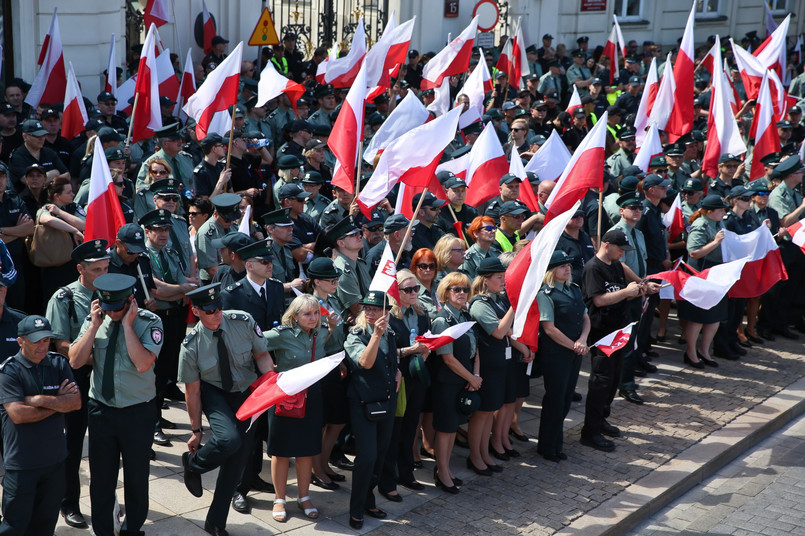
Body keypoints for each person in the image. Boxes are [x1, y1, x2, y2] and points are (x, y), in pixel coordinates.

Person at [68, 274, 163, 536]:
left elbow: (143, 363)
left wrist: (129, 326)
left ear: (131, 301)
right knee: (101, 479)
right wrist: (93, 327)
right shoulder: (96, 321)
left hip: (137, 411)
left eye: (118, 309)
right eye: (107, 308)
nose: (113, 314)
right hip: (102, 411)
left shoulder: (149, 322)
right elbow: (75, 361)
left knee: (136, 476)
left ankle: (133, 529)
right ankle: (103, 531)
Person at [178, 282, 273, 536]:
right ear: (196, 311)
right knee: (228, 439)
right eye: (210, 310)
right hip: (215, 393)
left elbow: (262, 356)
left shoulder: (243, 321)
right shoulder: (191, 345)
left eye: (219, 306)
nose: (217, 313)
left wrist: (272, 386)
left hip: (246, 392)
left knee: (236, 460)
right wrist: (196, 430)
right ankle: (195, 464)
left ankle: (215, 522)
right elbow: (193, 391)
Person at [44, 239, 109, 529]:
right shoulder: (64, 298)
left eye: (107, 267)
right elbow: (59, 345)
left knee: (105, 445)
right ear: (81, 269)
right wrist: (93, 355)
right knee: (72, 444)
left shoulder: (114, 291)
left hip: (109, 378)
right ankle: (69, 502)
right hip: (78, 377)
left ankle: (105, 503)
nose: (104, 274)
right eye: (97, 269)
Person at [0, 315, 80, 535]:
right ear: (20, 341)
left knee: (45, 525)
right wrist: (58, 403)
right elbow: (19, 414)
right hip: (22, 465)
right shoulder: (8, 371)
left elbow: (75, 402)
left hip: (55, 462)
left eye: (46, 340)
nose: (42, 346)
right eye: (35, 341)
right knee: (14, 527)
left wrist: (39, 400)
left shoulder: (58, 362)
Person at [264, 294, 332, 523]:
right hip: (285, 397)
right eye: (307, 314)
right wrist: (268, 371)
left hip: (312, 397)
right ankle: (280, 499)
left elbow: (332, 351)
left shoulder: (322, 333)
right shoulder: (281, 335)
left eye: (316, 313)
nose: (313, 318)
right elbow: (255, 344)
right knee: (281, 451)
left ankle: (304, 497)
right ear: (295, 316)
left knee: (306, 450)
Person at [580, 229, 643, 453]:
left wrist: (641, 289)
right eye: (620, 249)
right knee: (601, 381)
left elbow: (622, 291)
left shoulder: (615, 264)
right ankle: (590, 431)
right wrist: (627, 292)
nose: (622, 254)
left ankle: (601, 419)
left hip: (618, 330)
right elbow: (599, 300)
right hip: (602, 333)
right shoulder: (593, 268)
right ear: (607, 245)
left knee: (613, 378)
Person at [141, 209, 199, 447]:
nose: (164, 234)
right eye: (158, 230)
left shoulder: (171, 253)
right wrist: (182, 288)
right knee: (153, 375)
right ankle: (152, 425)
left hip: (173, 316)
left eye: (166, 229)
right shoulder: (143, 258)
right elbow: (158, 291)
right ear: (147, 231)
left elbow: (180, 282)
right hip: (156, 319)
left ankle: (158, 417)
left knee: (166, 373)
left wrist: (179, 288)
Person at [344, 291, 399, 530]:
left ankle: (369, 499)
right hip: (363, 403)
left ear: (386, 312)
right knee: (366, 457)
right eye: (367, 308)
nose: (370, 313)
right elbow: (365, 363)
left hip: (386, 402)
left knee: (381, 455)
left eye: (376, 309)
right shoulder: (356, 335)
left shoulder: (392, 333)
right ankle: (356, 509)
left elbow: (391, 360)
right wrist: (376, 334)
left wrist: (397, 370)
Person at [377, 269, 432, 501]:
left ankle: (406, 472)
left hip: (415, 377)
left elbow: (426, 341)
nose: (413, 293)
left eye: (416, 288)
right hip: (397, 379)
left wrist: (426, 351)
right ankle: (388, 478)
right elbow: (385, 351)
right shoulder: (389, 316)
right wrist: (411, 350)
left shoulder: (421, 313)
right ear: (395, 292)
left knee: (410, 427)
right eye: (408, 289)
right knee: (394, 430)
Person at [537, 250, 589, 461]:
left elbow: (586, 318)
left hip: (574, 351)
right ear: (551, 271)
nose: (568, 268)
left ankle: (556, 441)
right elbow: (549, 328)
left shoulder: (573, 288)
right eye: (562, 266)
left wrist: (583, 340)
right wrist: (574, 345)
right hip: (556, 353)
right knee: (555, 399)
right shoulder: (545, 294)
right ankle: (548, 445)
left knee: (567, 397)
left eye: (568, 265)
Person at [467, 258, 517, 472]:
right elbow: (498, 331)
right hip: (486, 365)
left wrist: (505, 324)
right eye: (499, 277)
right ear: (485, 280)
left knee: (490, 411)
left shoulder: (496, 300)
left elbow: (509, 330)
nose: (503, 280)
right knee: (481, 413)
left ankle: (485, 453)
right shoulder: (479, 303)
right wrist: (515, 306)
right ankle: (475, 456)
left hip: (498, 363)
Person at [431, 272, 478, 494]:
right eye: (456, 289)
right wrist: (471, 378)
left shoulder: (464, 315)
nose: (461, 293)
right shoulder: (443, 320)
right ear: (445, 292)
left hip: (464, 380)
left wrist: (475, 376)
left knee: (452, 429)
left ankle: (446, 469)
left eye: (465, 289)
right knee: (445, 429)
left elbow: (474, 350)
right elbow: (448, 358)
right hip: (447, 382)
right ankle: (441, 472)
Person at [305, 258, 349, 491]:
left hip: (335, 364)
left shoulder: (332, 300)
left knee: (338, 420)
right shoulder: (309, 305)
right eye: (332, 280)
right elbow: (313, 344)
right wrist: (330, 330)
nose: (336, 283)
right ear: (318, 282)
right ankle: (316, 469)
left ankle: (324, 462)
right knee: (320, 423)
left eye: (337, 279)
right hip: (319, 367)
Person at [680, 195, 730, 368]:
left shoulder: (718, 223)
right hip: (701, 272)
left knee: (714, 316)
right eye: (720, 210)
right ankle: (691, 353)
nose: (724, 213)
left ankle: (704, 350)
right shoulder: (700, 225)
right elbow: (693, 252)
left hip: (716, 272)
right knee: (698, 317)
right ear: (710, 212)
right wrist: (715, 242)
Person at [37, 177, 86, 301]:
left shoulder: (72, 208)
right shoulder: (46, 208)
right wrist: (73, 230)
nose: (73, 194)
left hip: (72, 261)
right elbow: (47, 220)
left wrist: (60, 212)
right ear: (57, 196)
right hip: (53, 263)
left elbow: (84, 224)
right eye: (69, 192)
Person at [107, 224, 158, 310]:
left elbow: (150, 288)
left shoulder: (143, 261)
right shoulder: (106, 265)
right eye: (130, 251)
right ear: (118, 243)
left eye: (138, 251)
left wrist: (151, 299)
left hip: (141, 316)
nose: (135, 255)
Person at [196, 193, 242, 283]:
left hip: (236, 276)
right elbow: (212, 270)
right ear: (216, 213)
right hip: (216, 282)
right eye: (227, 219)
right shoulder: (206, 233)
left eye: (233, 218)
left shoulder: (234, 226)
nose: (231, 222)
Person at [411, 248, 441, 318]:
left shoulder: (442, 287)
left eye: (432, 266)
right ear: (415, 268)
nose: (428, 270)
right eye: (423, 266)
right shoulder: (411, 291)